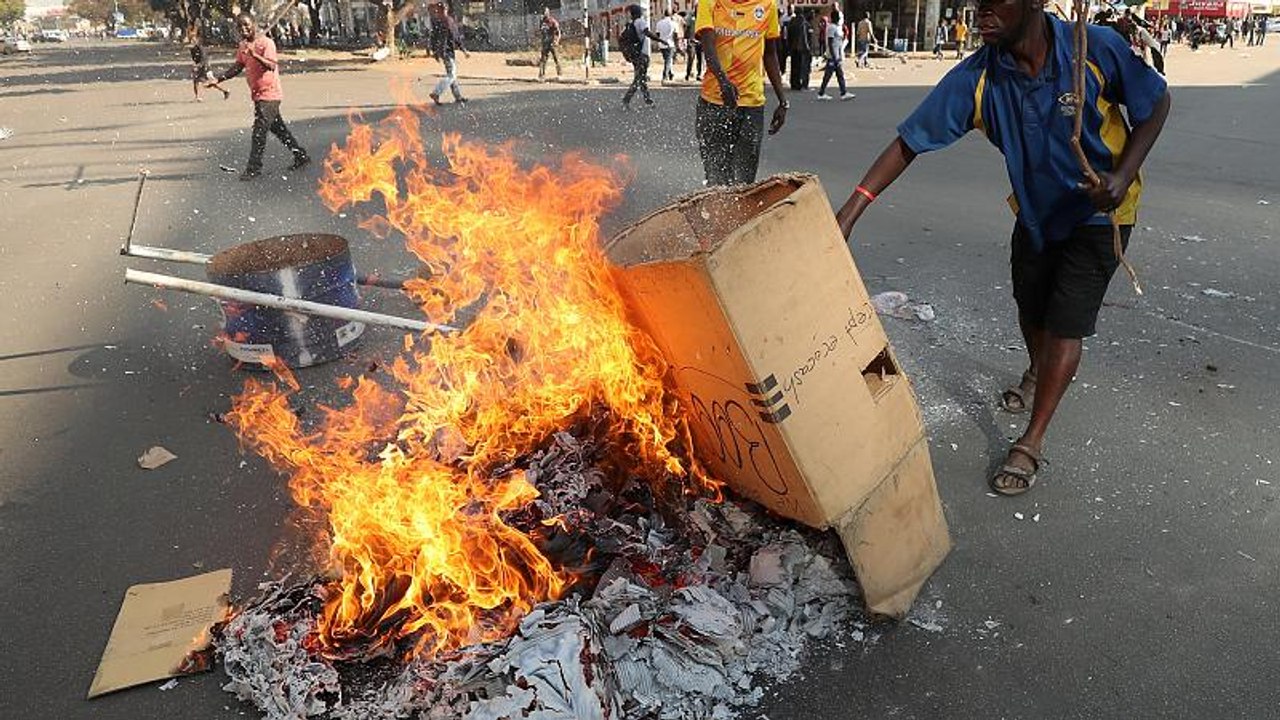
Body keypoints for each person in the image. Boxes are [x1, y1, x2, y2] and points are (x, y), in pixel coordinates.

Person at [833, 0, 1170, 496]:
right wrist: (851, 212)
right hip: (1036, 215)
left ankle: (1031, 440)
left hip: (1102, 214)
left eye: (995, 3)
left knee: (1064, 323)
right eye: (976, 4)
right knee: (1030, 304)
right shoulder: (977, 78)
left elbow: (1155, 103)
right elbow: (909, 142)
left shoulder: (1092, 50)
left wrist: (1121, 176)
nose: (981, 12)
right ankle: (1036, 368)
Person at [694, 0, 788, 185]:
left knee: (744, 181)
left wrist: (783, 101)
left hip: (752, 106)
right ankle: (717, 212)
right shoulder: (710, 2)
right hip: (713, 103)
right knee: (717, 180)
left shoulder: (768, 5)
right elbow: (708, 44)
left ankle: (740, 213)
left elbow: (770, 54)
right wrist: (723, 81)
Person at [211, 13, 309, 181]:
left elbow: (271, 65)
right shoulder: (243, 45)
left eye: (247, 25)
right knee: (279, 129)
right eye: (240, 27)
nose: (244, 29)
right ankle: (301, 156)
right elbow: (238, 66)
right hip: (257, 95)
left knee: (259, 132)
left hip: (270, 94)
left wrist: (255, 54)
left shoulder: (266, 43)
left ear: (254, 24)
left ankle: (253, 168)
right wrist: (219, 79)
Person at [427, 2, 469, 105]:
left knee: (451, 75)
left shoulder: (437, 22)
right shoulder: (448, 21)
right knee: (451, 75)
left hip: (443, 52)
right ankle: (436, 93)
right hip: (447, 52)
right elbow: (456, 37)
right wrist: (463, 50)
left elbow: (433, 38)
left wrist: (435, 52)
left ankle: (458, 97)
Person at [621, 4, 660, 107]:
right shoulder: (640, 22)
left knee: (641, 78)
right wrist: (660, 40)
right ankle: (626, 99)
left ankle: (648, 100)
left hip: (635, 55)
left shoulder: (631, 24)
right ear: (638, 12)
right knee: (639, 79)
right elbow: (648, 33)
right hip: (642, 55)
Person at [816, 8, 854, 100]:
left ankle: (843, 92)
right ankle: (821, 93)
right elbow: (830, 42)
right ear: (836, 18)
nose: (841, 19)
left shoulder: (837, 27)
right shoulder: (832, 27)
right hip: (833, 56)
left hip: (837, 55)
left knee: (839, 74)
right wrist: (834, 56)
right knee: (828, 75)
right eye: (840, 17)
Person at [190, 36, 230, 101]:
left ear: (197, 41)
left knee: (212, 83)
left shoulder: (201, 49)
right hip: (199, 68)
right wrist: (195, 66)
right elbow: (195, 59)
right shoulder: (192, 49)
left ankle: (225, 91)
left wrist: (198, 66)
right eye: (192, 40)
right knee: (195, 81)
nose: (193, 42)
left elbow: (204, 60)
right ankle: (197, 97)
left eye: (194, 40)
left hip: (205, 68)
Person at [787, 9, 812, 89]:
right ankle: (802, 83)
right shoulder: (805, 23)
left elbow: (789, 36)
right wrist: (808, 48)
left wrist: (789, 47)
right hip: (803, 49)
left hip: (793, 48)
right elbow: (807, 37)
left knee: (794, 66)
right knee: (803, 67)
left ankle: (794, 83)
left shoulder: (792, 22)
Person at [538, 7, 562, 80]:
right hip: (545, 43)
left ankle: (559, 74)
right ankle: (541, 75)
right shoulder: (542, 22)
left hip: (552, 43)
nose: (543, 14)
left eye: (545, 12)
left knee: (556, 58)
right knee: (543, 59)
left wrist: (556, 41)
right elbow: (541, 32)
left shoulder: (552, 21)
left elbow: (558, 32)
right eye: (543, 12)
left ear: (548, 13)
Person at [656, 9, 677, 82]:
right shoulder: (673, 23)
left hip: (662, 44)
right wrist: (676, 43)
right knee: (668, 60)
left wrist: (661, 40)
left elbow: (657, 34)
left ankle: (670, 74)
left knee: (667, 60)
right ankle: (665, 76)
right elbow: (675, 34)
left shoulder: (659, 23)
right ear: (670, 15)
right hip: (670, 43)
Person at [684, 8, 703, 81]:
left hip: (700, 41)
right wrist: (686, 39)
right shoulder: (690, 19)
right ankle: (688, 74)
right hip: (692, 41)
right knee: (691, 59)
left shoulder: (702, 18)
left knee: (700, 59)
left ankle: (699, 74)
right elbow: (686, 29)